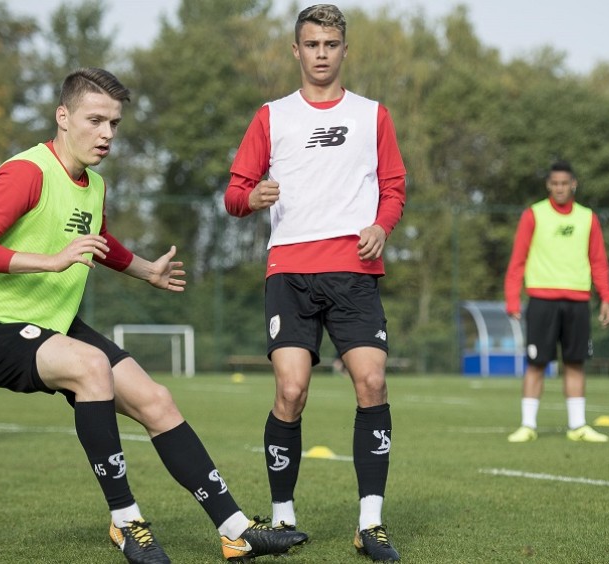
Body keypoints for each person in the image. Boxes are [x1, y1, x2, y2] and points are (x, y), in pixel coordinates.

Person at [0, 67, 307, 564]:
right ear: (62, 117)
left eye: (114, 123)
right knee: (91, 368)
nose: (106, 134)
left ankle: (236, 532)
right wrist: (50, 260)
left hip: (54, 325)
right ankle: (126, 522)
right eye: (95, 120)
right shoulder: (26, 172)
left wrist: (145, 270)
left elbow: (98, 241)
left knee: (156, 400)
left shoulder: (92, 184)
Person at [224, 5, 406, 562]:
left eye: (331, 44)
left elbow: (394, 187)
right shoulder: (271, 116)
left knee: (371, 383)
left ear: (344, 50)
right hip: (291, 271)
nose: (321, 53)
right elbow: (234, 193)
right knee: (291, 391)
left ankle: (369, 523)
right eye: (312, 44)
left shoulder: (373, 115)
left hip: (353, 271)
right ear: (296, 51)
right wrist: (251, 198)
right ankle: (282, 517)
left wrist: (381, 225)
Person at [504, 160, 609, 443]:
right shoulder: (534, 215)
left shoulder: (587, 217)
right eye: (555, 184)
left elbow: (599, 261)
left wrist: (606, 298)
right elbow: (518, 260)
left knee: (575, 362)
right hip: (542, 300)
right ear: (548, 186)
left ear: (573, 184)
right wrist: (512, 298)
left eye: (565, 183)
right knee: (537, 363)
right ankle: (528, 425)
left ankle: (577, 426)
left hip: (578, 301)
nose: (560, 188)